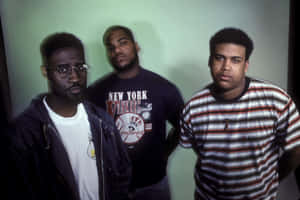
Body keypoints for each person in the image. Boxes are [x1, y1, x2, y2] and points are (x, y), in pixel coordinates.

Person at [5, 32, 131, 200]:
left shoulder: (102, 121)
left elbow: (122, 174)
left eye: (80, 67)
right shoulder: (24, 133)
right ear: (45, 72)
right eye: (63, 69)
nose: (75, 77)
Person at [180, 27, 300, 200]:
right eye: (219, 58)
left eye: (235, 60)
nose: (226, 67)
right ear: (209, 61)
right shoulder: (193, 107)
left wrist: (271, 180)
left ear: (246, 65)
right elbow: (203, 152)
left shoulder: (277, 100)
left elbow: (295, 152)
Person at [86, 25, 184, 200]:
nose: (117, 50)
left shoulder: (163, 87)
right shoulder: (95, 92)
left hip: (154, 184)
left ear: (136, 46)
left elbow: (182, 126)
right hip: (113, 186)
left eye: (123, 42)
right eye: (110, 47)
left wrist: (164, 153)